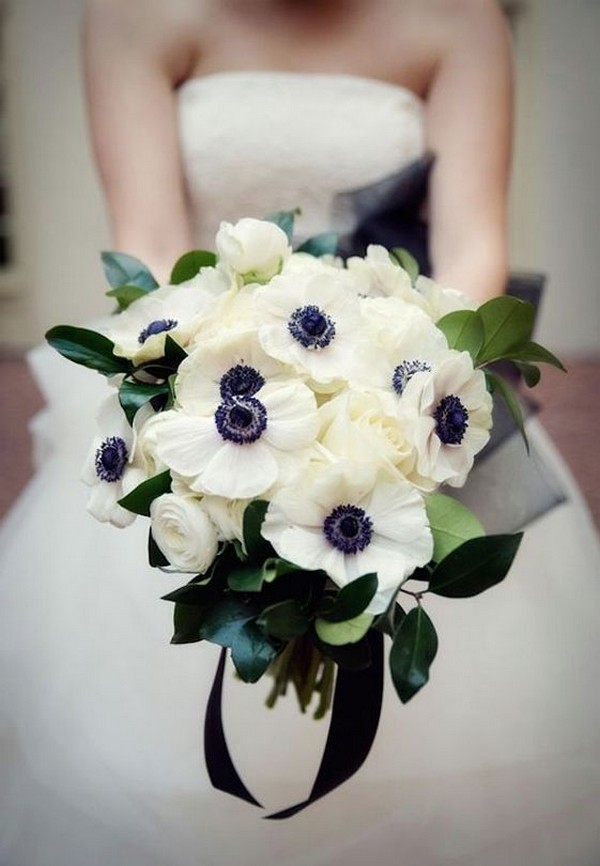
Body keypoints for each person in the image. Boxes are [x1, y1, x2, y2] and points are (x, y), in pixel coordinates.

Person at [0, 1, 599, 864]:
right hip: (217, 384)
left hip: (404, 371)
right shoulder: (131, 14)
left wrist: (372, 401)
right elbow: (153, 245)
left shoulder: (459, 20)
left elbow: (473, 255)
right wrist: (257, 402)